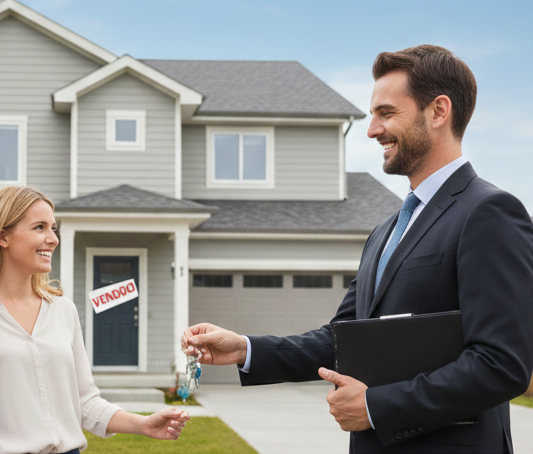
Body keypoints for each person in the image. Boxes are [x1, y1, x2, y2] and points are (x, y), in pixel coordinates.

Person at [182, 45, 533, 453]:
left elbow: (502, 365)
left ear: (438, 111)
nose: (372, 130)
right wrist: (246, 349)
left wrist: (375, 406)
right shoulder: (384, 232)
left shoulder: (489, 213)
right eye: (372, 116)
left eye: (387, 113)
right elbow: (342, 340)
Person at [0, 186, 190, 454]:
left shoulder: (62, 310)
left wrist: (144, 425)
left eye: (53, 229)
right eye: (39, 227)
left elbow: (84, 402)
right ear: (3, 237)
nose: (53, 239)